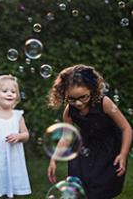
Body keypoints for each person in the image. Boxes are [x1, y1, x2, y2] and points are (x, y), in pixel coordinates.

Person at [47, 64, 132, 199]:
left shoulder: (105, 103)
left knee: (101, 186)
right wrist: (54, 159)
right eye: (72, 99)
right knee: (81, 184)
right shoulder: (69, 111)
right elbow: (66, 137)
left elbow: (126, 128)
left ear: (92, 90)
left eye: (83, 97)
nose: (78, 103)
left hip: (108, 148)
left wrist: (123, 154)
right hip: (85, 147)